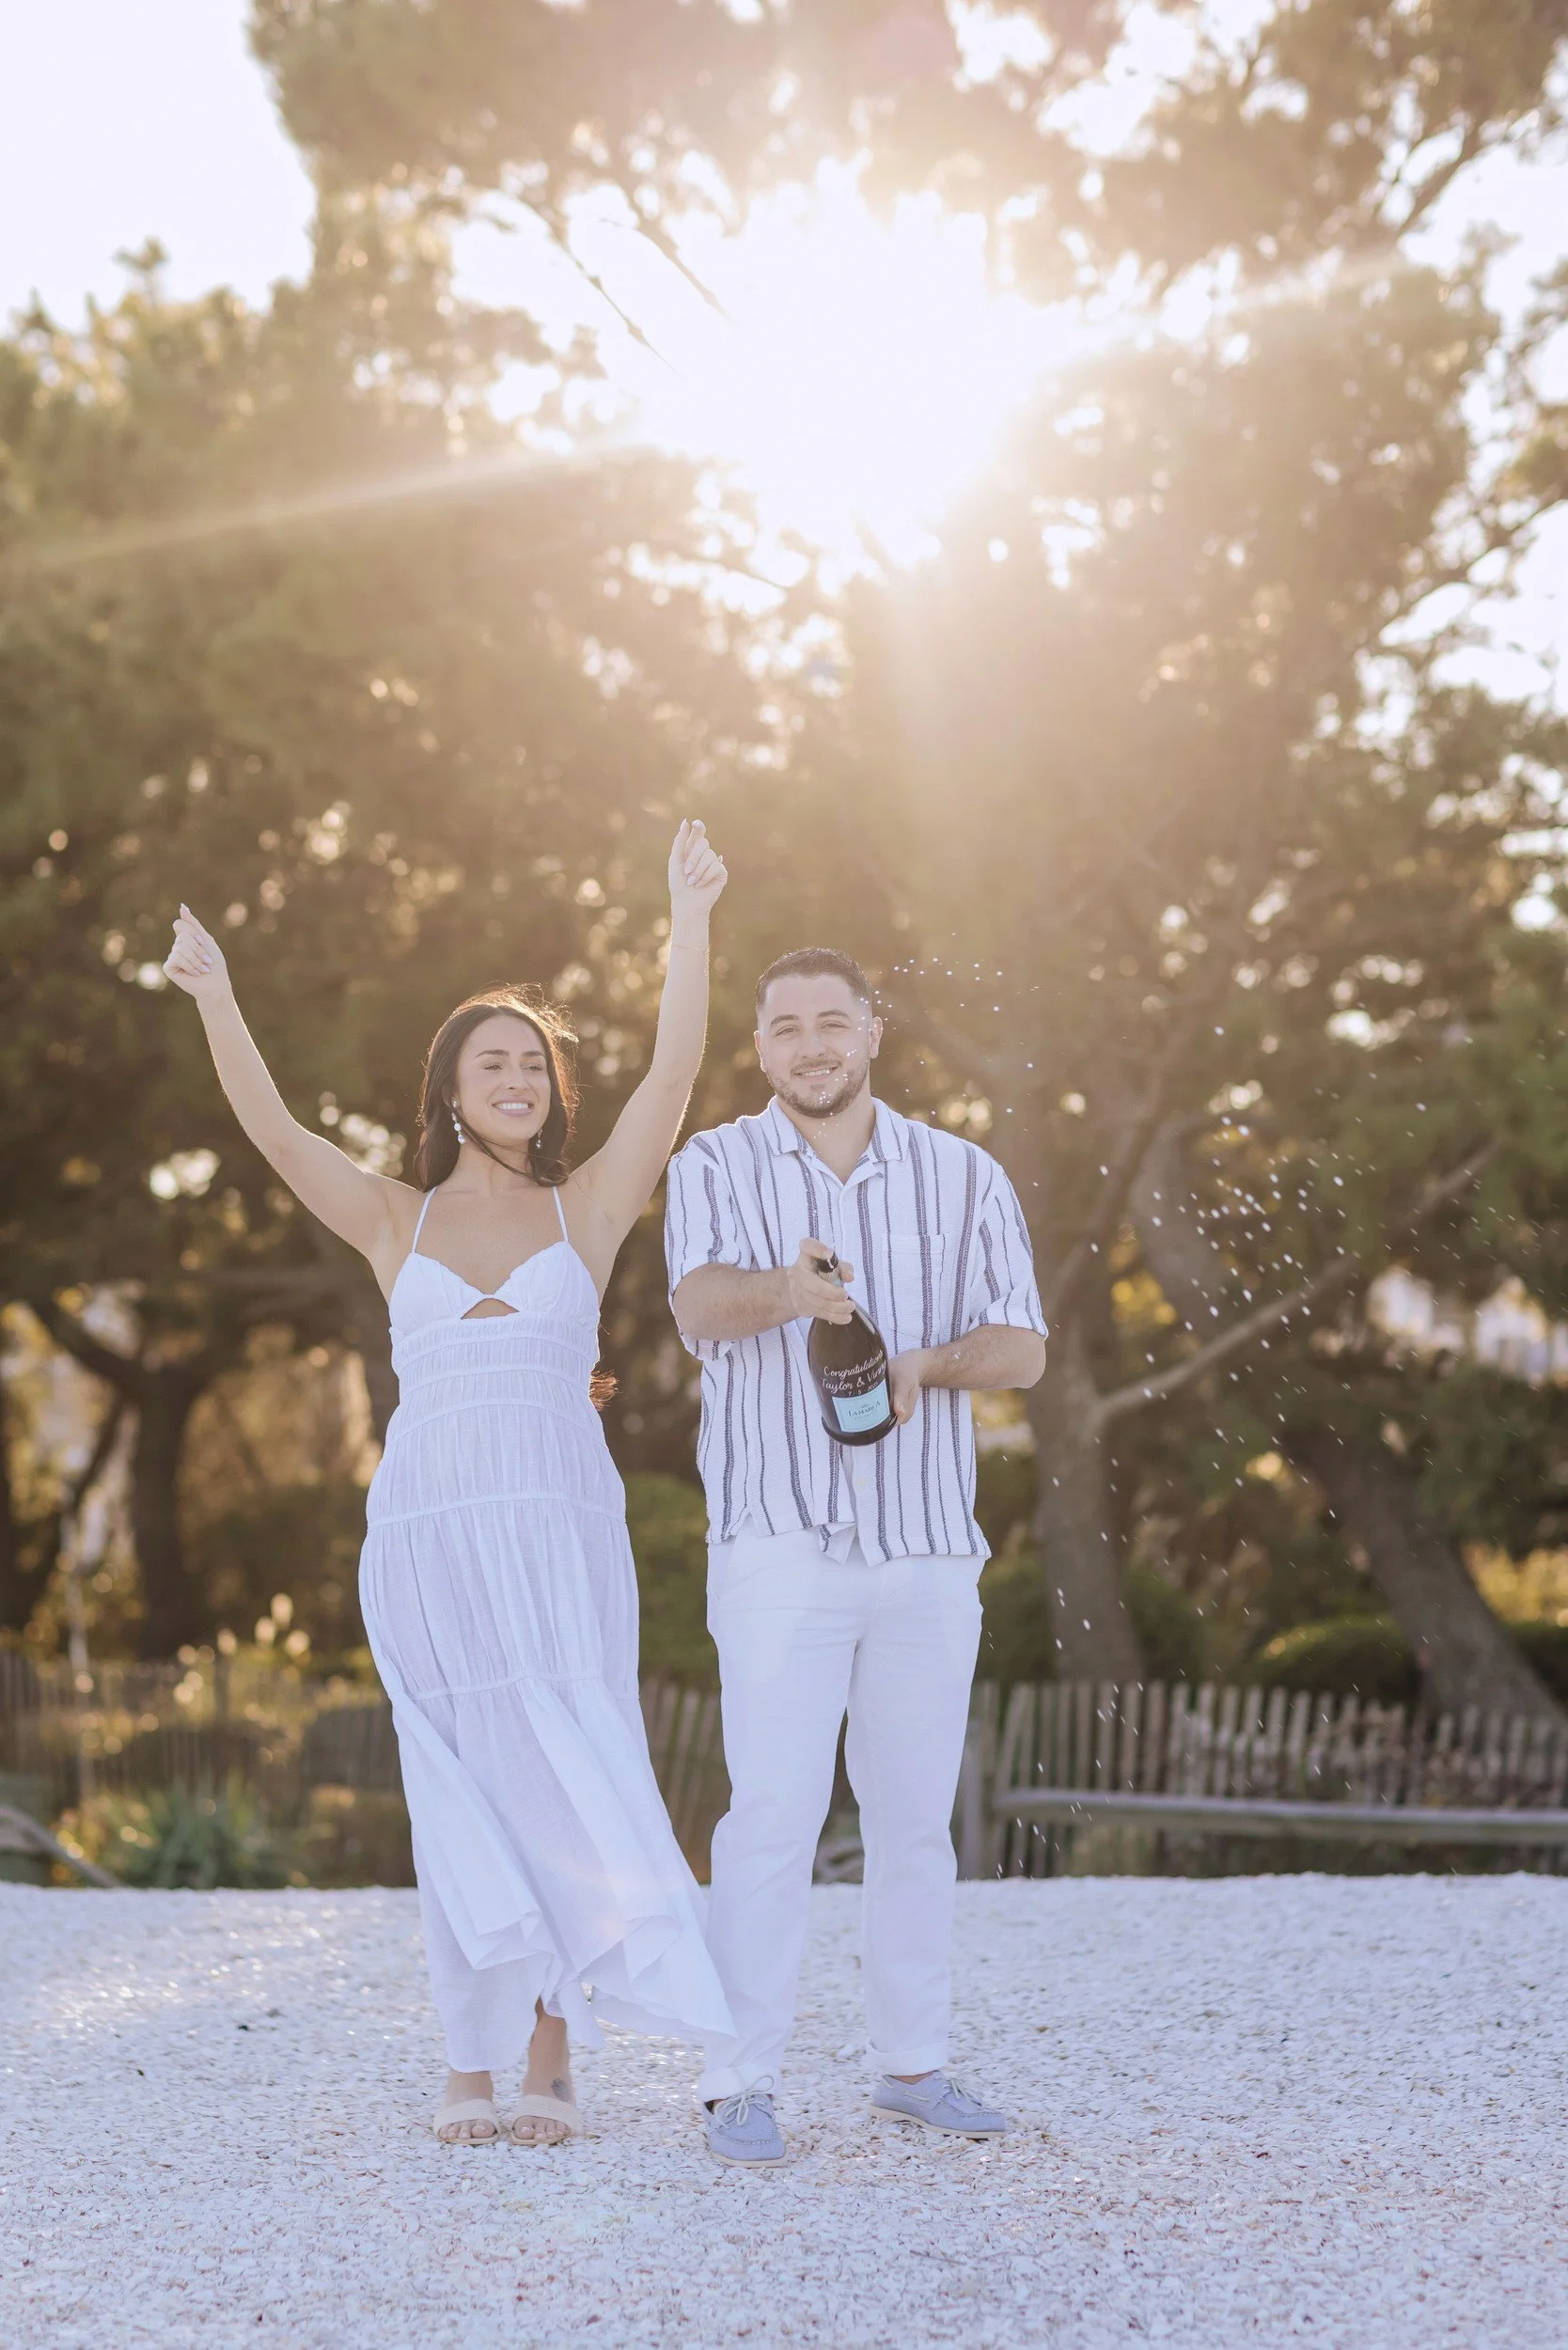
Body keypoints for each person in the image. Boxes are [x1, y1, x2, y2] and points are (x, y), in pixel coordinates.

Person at [165, 822, 733, 2148]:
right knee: (465, 1777)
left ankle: (553, 2069)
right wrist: (217, 997)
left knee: (560, 1768)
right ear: (452, 1092)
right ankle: (469, 2073)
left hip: (554, 1522)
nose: (517, 1077)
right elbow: (269, 1126)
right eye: (493, 1061)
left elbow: (677, 1071)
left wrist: (690, 920)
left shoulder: (586, 1210)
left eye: (534, 1061)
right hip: (427, 1527)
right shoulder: (391, 1219)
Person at [666, 946, 1047, 2167]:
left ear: (872, 1031)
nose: (812, 1044)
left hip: (929, 1547)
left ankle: (913, 2067)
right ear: (761, 1048)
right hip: (779, 1543)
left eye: (834, 1021)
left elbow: (1025, 1348)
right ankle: (740, 2082)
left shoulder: (965, 1172)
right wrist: (793, 1290)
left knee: (915, 1819)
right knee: (771, 1813)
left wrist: (920, 1368)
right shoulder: (714, 1164)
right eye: (787, 1028)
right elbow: (698, 1308)